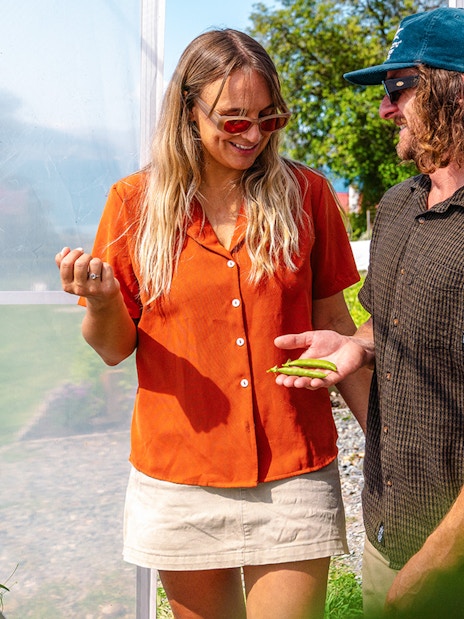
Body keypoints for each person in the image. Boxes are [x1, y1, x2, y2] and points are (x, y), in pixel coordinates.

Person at [55, 29, 370, 619]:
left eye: (268, 119)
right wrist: (101, 304)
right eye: (233, 120)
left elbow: (336, 327)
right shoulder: (134, 204)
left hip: (293, 473)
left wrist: (385, 436)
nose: (253, 135)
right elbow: (114, 350)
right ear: (188, 110)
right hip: (181, 479)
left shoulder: (308, 195)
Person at [273, 7, 464, 617]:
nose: (384, 108)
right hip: (388, 534)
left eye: (396, 87)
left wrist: (434, 567)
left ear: (453, 89)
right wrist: (356, 344)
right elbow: (399, 317)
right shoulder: (398, 207)